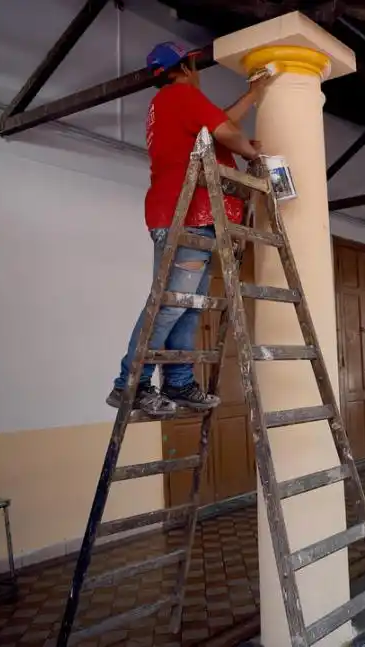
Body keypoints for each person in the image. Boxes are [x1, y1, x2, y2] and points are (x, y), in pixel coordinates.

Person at [107, 41, 268, 416]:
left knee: (188, 308)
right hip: (187, 216)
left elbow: (220, 125)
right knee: (170, 306)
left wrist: (251, 99)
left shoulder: (172, 103)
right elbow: (226, 131)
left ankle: (178, 382)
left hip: (186, 216)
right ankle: (130, 384)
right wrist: (250, 151)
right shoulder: (181, 95)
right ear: (187, 67)